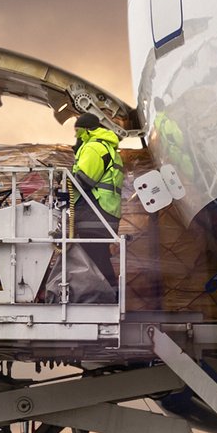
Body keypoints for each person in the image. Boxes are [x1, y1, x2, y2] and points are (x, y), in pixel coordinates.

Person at [67, 112, 124, 301]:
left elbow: (84, 180)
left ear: (85, 129)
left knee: (92, 257)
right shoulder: (106, 146)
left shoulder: (93, 147)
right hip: (105, 211)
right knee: (98, 255)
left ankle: (106, 296)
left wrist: (63, 180)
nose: (75, 136)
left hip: (95, 211)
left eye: (77, 131)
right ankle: (109, 294)